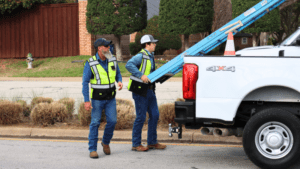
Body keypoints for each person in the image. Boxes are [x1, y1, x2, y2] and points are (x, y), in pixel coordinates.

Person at [82, 38, 123, 159]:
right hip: (97, 99)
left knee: (112, 121)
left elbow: (118, 73)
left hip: (110, 98)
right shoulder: (90, 63)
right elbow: (85, 83)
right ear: (99, 48)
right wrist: (86, 100)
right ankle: (92, 149)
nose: (109, 48)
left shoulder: (112, 59)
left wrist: (119, 81)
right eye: (106, 46)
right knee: (95, 123)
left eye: (109, 46)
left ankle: (105, 142)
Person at [125, 34, 167, 151]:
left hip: (149, 90)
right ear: (147, 44)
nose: (155, 45)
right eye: (153, 43)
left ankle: (152, 142)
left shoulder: (150, 56)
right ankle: (136, 144)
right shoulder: (141, 56)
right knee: (141, 117)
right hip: (139, 91)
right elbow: (128, 65)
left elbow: (150, 73)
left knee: (155, 115)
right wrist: (140, 75)